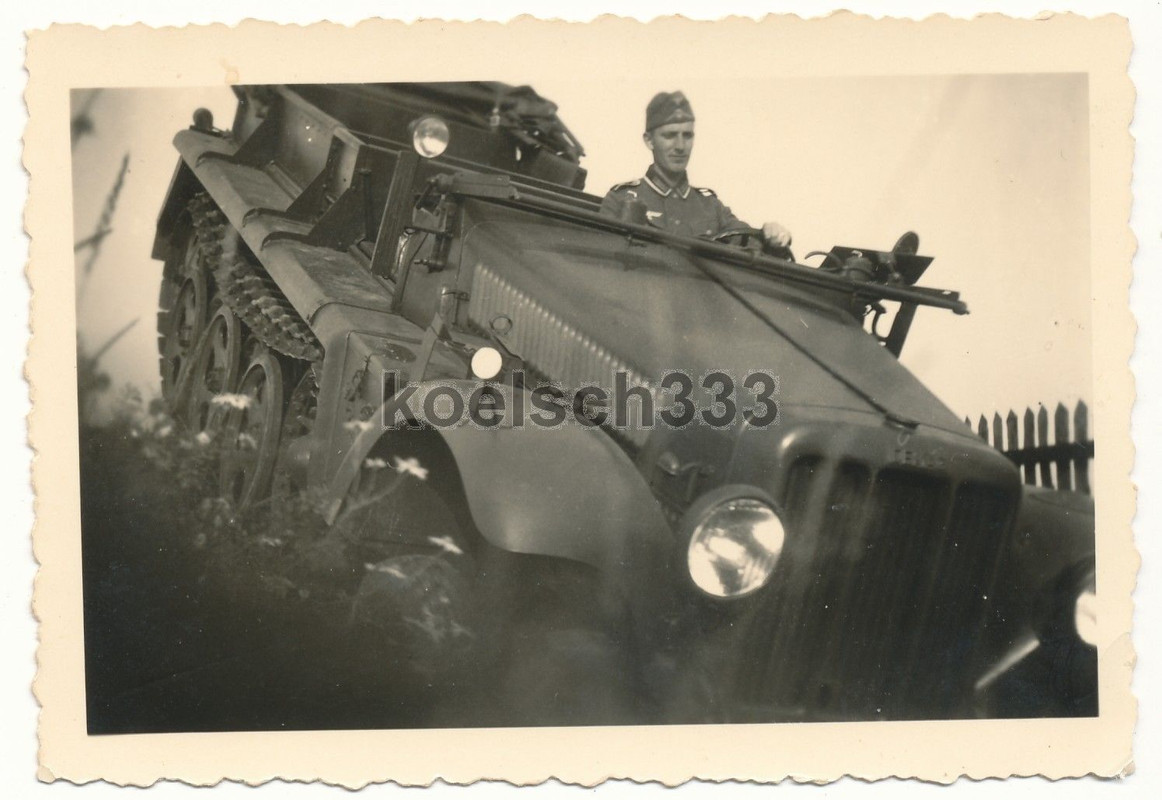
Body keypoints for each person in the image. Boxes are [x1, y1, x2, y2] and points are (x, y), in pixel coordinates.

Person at [600, 91, 793, 248]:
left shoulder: (711, 207)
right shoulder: (619, 200)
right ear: (649, 141)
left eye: (687, 135)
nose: (680, 146)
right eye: (670, 135)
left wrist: (771, 234)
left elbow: (749, 244)